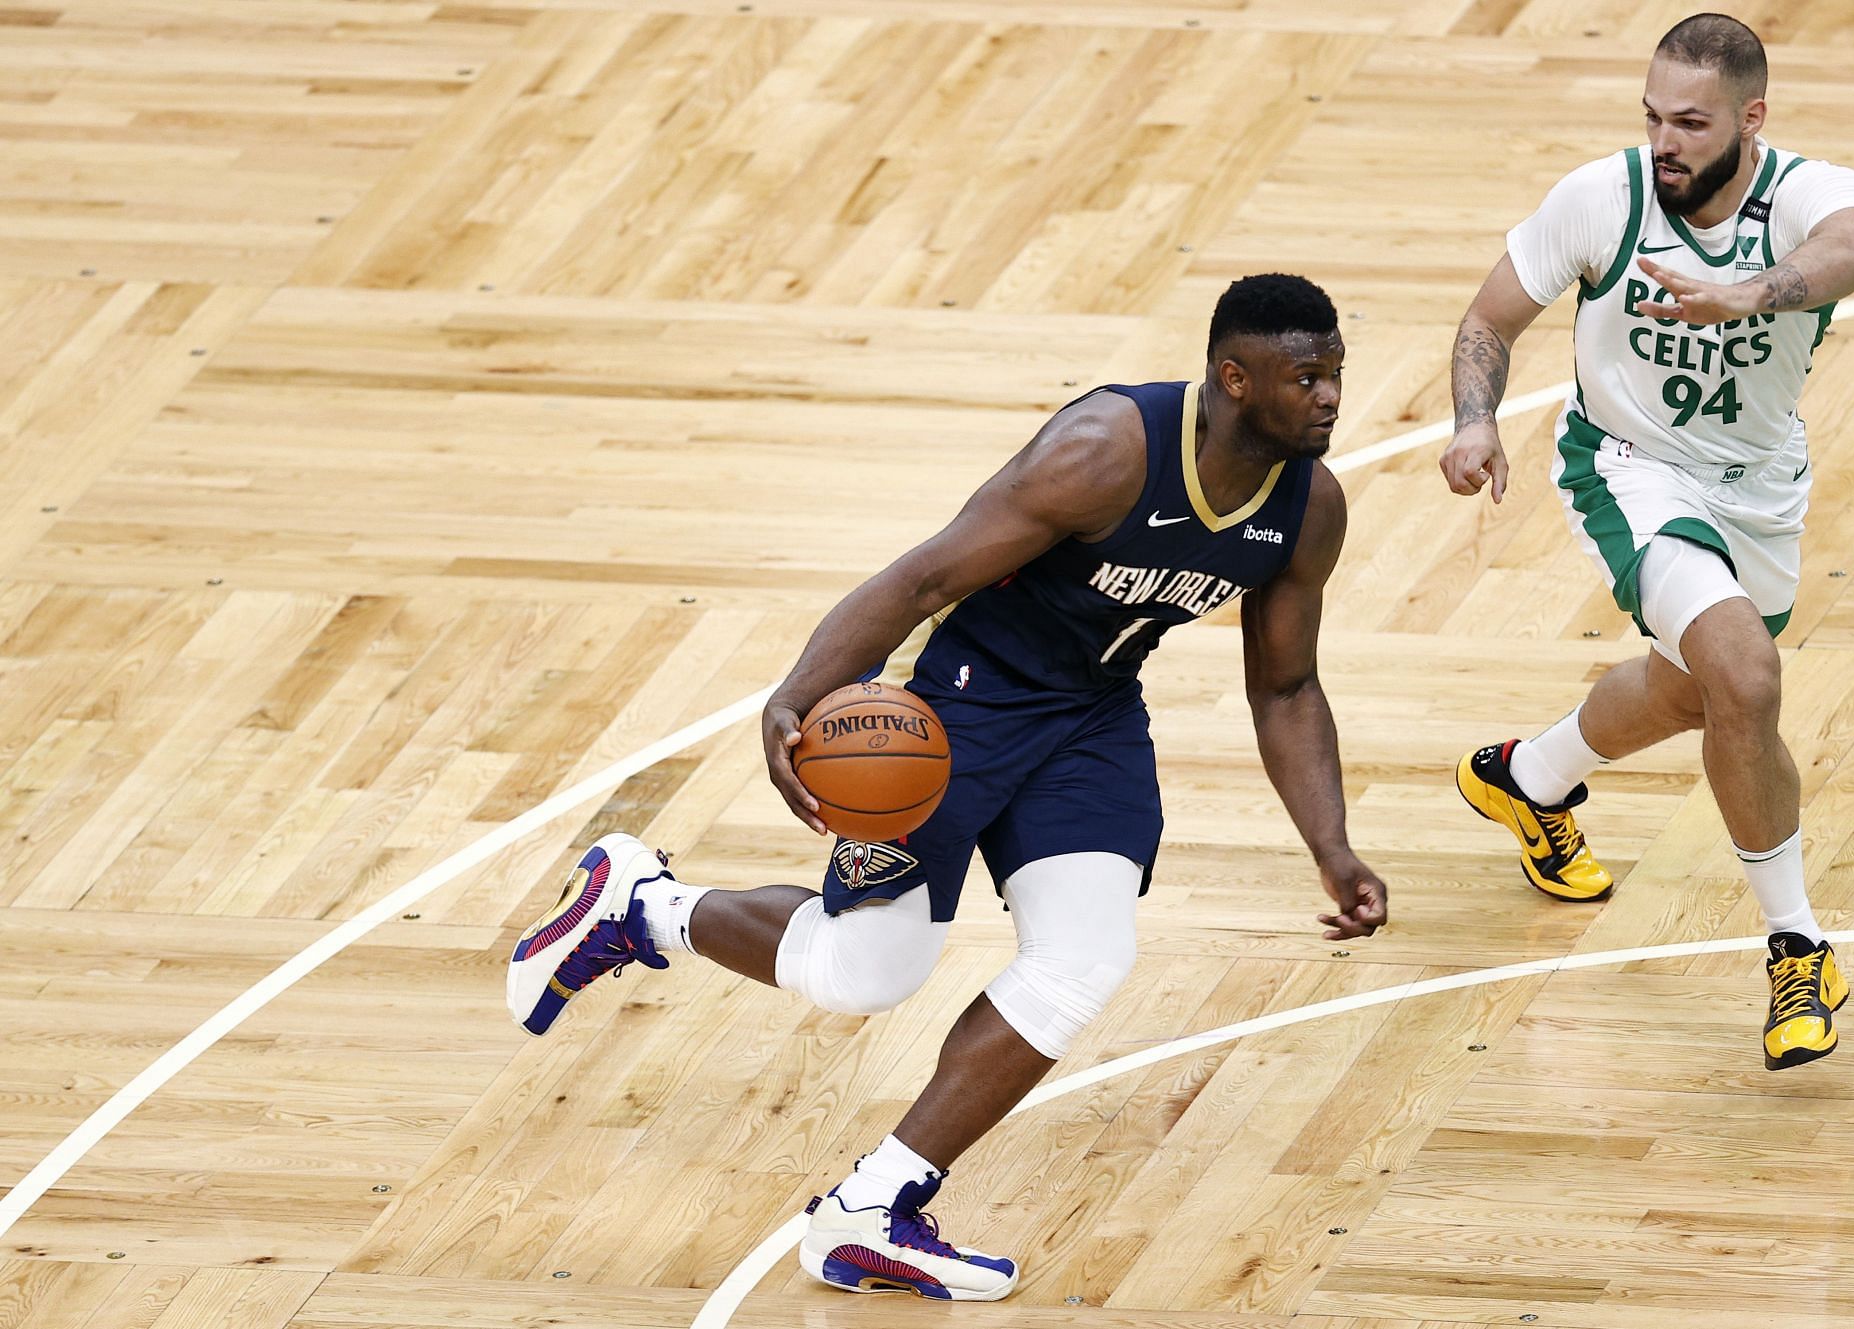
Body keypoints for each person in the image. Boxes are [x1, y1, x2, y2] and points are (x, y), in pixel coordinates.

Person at [507, 273, 1388, 1301]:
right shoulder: (1106, 451)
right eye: (1306, 377)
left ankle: (870, 1210)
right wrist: (798, 694)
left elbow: (1285, 685)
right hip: (954, 705)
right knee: (864, 974)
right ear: (1235, 380)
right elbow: (926, 579)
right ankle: (643, 908)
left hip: (1092, 717)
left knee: (1084, 958)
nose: (1330, 397)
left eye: (1335, 374)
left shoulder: (1306, 508)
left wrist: (1332, 847)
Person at [1440, 12, 1854, 1069]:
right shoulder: (1605, 196)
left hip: (1763, 488)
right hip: (1628, 470)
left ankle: (1526, 776)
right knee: (1747, 676)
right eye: (1653, 117)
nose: (1666, 141)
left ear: (1751, 119)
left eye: (1691, 121)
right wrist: (1471, 420)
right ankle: (1796, 945)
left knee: (1695, 691)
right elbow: (1487, 321)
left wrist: (1749, 294)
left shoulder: (1809, 196)